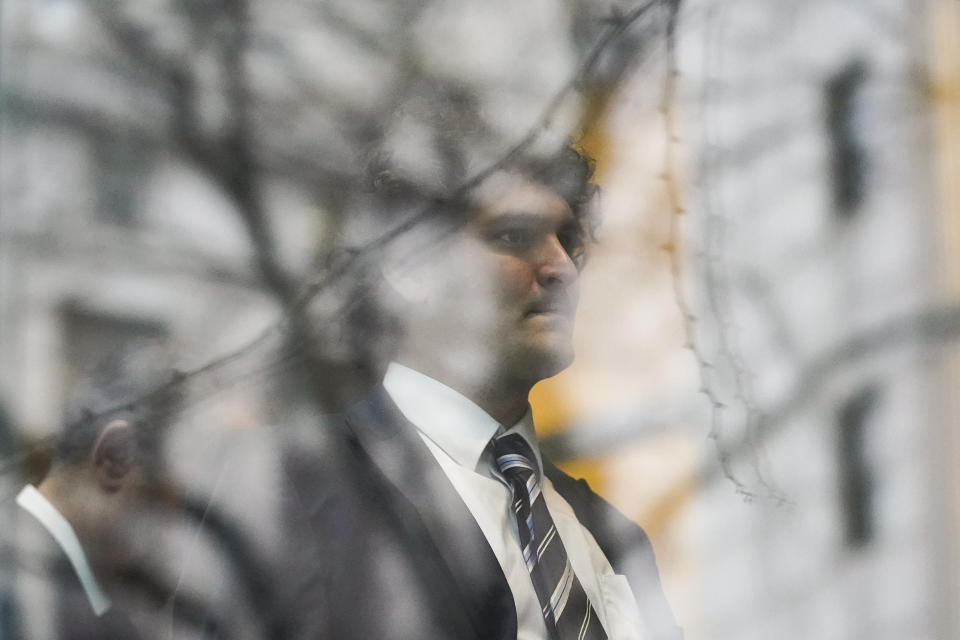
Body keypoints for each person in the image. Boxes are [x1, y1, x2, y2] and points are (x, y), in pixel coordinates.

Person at [274, 118, 683, 639]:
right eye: (516, 237)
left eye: (570, 240)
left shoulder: (613, 535)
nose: (562, 268)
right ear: (407, 267)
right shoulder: (297, 489)